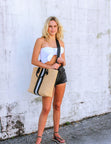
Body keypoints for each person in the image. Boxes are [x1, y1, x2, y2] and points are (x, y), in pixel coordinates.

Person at [31, 16, 67, 144]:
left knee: (57, 105)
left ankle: (56, 134)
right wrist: (49, 66)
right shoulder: (41, 41)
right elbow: (34, 61)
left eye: (55, 26)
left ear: (58, 28)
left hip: (60, 75)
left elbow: (64, 62)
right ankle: (39, 138)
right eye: (50, 26)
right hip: (47, 75)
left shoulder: (60, 42)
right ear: (47, 27)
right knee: (46, 108)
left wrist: (62, 62)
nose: (52, 29)